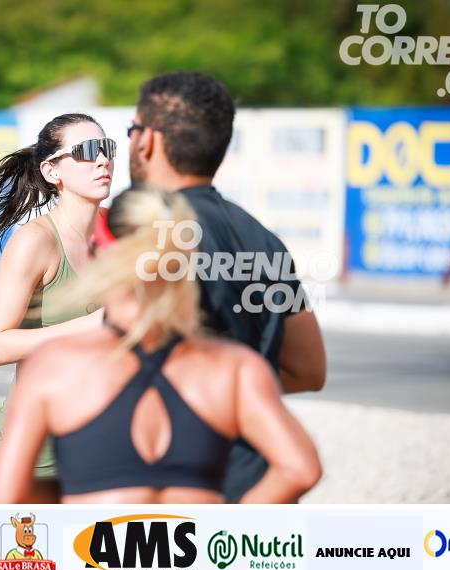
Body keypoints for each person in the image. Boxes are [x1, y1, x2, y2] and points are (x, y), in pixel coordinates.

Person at [0, 188, 321, 570]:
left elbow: (6, 498)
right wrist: (228, 540)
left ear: (101, 257)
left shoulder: (55, 369)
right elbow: (301, 468)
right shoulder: (233, 368)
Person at [126, 72, 327, 506]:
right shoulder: (263, 239)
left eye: (132, 129)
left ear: (148, 141)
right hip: (259, 481)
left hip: (178, 488)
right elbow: (309, 370)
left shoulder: (147, 234)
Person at [0, 113, 115, 502]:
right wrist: (92, 325)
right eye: (86, 151)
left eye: (107, 148)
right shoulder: (35, 242)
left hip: (104, 443)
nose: (102, 160)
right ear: (52, 170)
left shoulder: (118, 232)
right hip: (38, 452)